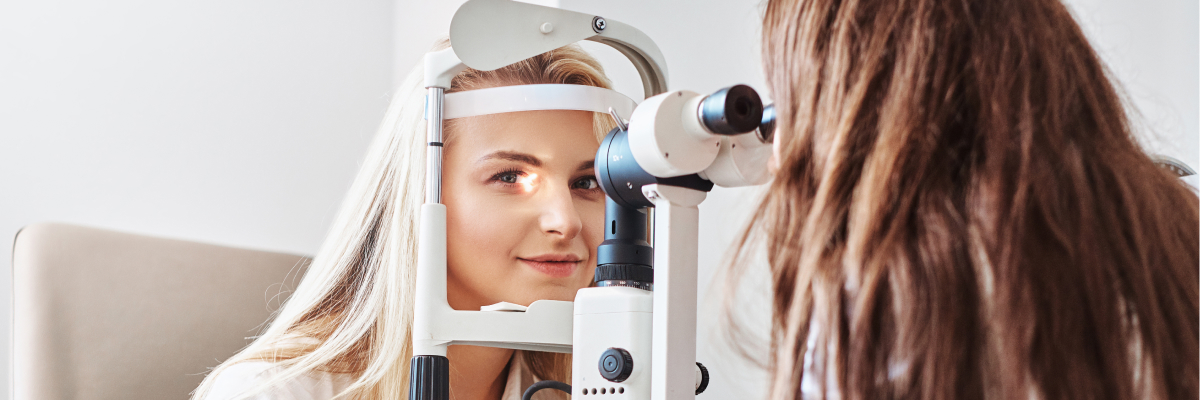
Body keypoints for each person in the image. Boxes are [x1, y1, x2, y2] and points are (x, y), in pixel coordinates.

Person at [737, 0, 1200, 398]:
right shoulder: (1179, 234)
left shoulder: (877, 299)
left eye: (782, 113)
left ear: (849, 105)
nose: (778, 157)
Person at [192, 40, 617, 400]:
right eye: (509, 176)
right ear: (419, 195)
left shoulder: (596, 386)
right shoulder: (273, 392)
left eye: (586, 181)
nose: (566, 221)